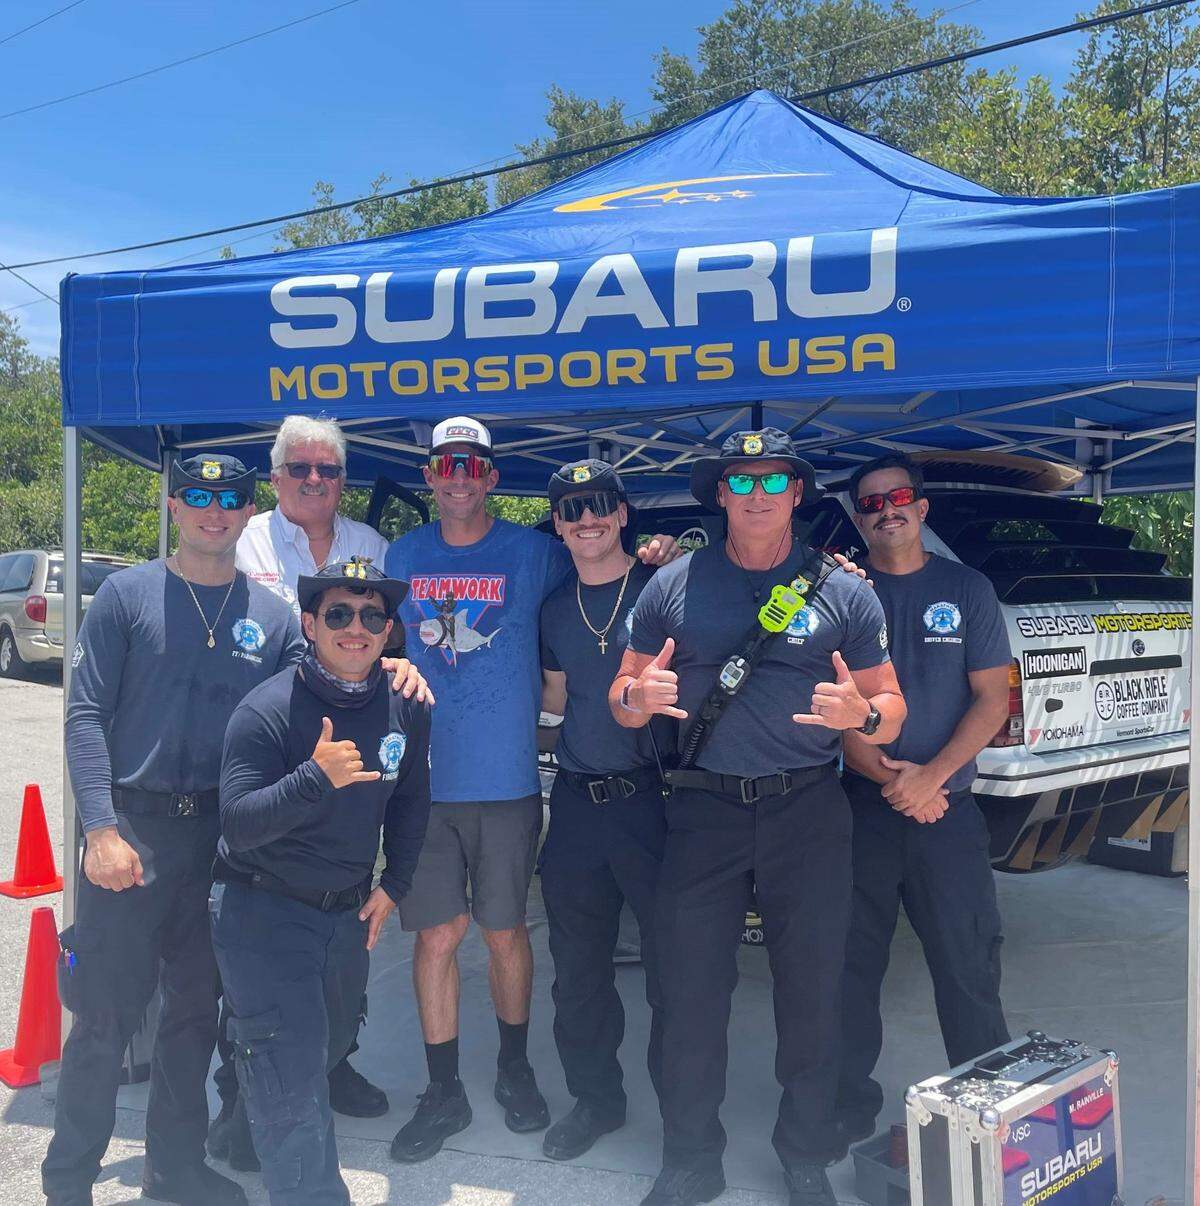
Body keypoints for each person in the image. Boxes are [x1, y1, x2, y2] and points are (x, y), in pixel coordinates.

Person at [611, 429, 906, 1206]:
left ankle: (804, 1155)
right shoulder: (672, 584)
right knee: (688, 993)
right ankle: (690, 1157)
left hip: (807, 809)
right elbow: (623, 693)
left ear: (797, 493)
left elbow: (891, 703)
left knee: (813, 994)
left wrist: (864, 717)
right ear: (720, 493)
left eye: (774, 481)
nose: (758, 495)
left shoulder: (843, 590)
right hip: (702, 811)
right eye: (741, 482)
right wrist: (635, 699)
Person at [383, 416, 680, 1163]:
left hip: (511, 780)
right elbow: (364, 635)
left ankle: (515, 1071)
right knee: (437, 937)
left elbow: (603, 568)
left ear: (491, 476)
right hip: (426, 783)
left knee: (506, 932)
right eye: (446, 464)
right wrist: (388, 664)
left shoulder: (537, 552)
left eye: (472, 464)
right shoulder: (402, 554)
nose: (458, 476)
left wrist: (663, 554)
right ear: (430, 475)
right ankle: (443, 1091)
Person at [42, 454, 301, 1206]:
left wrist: (393, 672)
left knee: (194, 1016)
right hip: (132, 833)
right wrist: (99, 828)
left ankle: (175, 1169)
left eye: (229, 498)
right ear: (173, 504)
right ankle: (68, 1180)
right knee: (104, 1019)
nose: (213, 511)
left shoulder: (273, 618)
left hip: (220, 842)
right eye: (197, 496)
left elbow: (319, 693)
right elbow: (84, 716)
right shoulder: (125, 596)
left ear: (249, 510)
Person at [211, 559, 432, 1205]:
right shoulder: (267, 709)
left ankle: (240, 1125)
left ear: (387, 630)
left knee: (328, 1045)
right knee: (294, 1074)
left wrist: (396, 882)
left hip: (344, 914)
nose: (354, 627)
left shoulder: (407, 705)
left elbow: (412, 799)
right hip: (262, 907)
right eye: (338, 613)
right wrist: (313, 778)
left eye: (370, 616)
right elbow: (237, 826)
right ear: (310, 625)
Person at [834, 453, 1012, 1154]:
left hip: (947, 816)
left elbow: (992, 700)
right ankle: (846, 1106)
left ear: (922, 507)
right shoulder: (842, 591)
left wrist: (932, 779)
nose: (887, 510)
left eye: (899, 496)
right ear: (859, 518)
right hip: (862, 810)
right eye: (871, 503)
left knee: (969, 968)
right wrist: (896, 784)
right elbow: (835, 711)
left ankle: (987, 1115)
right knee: (848, 970)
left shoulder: (967, 588)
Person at [538, 459, 668, 1161]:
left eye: (598, 505)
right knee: (578, 970)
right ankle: (596, 1101)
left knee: (676, 969)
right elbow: (556, 703)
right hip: (578, 803)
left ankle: (683, 1116)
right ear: (558, 525)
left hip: (656, 802)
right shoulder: (555, 608)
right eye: (571, 508)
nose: (586, 518)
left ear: (622, 514)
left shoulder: (664, 587)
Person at [236, 414, 389, 616]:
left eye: (327, 470)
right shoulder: (241, 542)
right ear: (276, 480)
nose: (314, 479)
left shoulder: (371, 545)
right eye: (299, 468)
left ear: (342, 482)